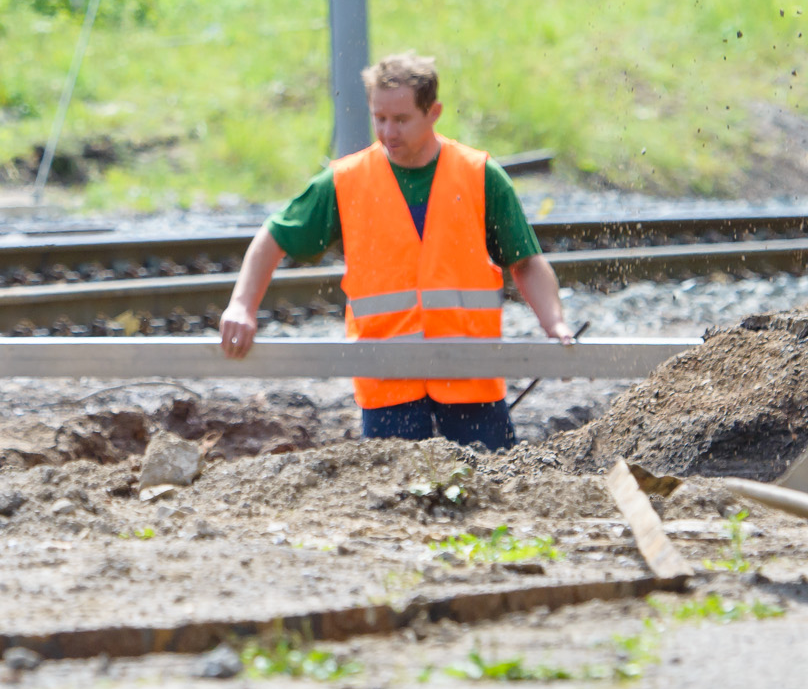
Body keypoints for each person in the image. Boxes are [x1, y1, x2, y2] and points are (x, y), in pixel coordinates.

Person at [217, 53, 573, 451]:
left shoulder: (480, 176)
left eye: (401, 119)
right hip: (388, 384)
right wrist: (241, 307)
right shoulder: (346, 181)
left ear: (433, 112)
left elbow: (525, 262)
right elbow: (274, 237)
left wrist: (554, 323)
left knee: (493, 498)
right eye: (379, 118)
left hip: (471, 378)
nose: (388, 132)